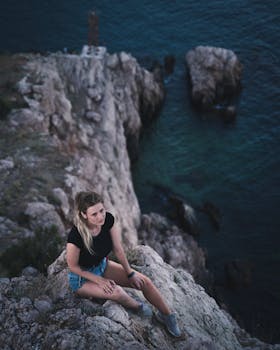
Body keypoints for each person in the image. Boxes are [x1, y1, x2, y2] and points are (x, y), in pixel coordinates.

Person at [66, 191, 182, 337]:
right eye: (94, 214)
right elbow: (73, 266)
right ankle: (138, 307)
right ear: (84, 215)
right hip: (82, 280)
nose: (100, 216)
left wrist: (130, 273)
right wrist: (99, 280)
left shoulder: (107, 220)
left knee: (144, 282)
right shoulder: (76, 235)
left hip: (103, 266)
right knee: (117, 292)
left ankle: (167, 316)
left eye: (101, 210)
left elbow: (118, 249)